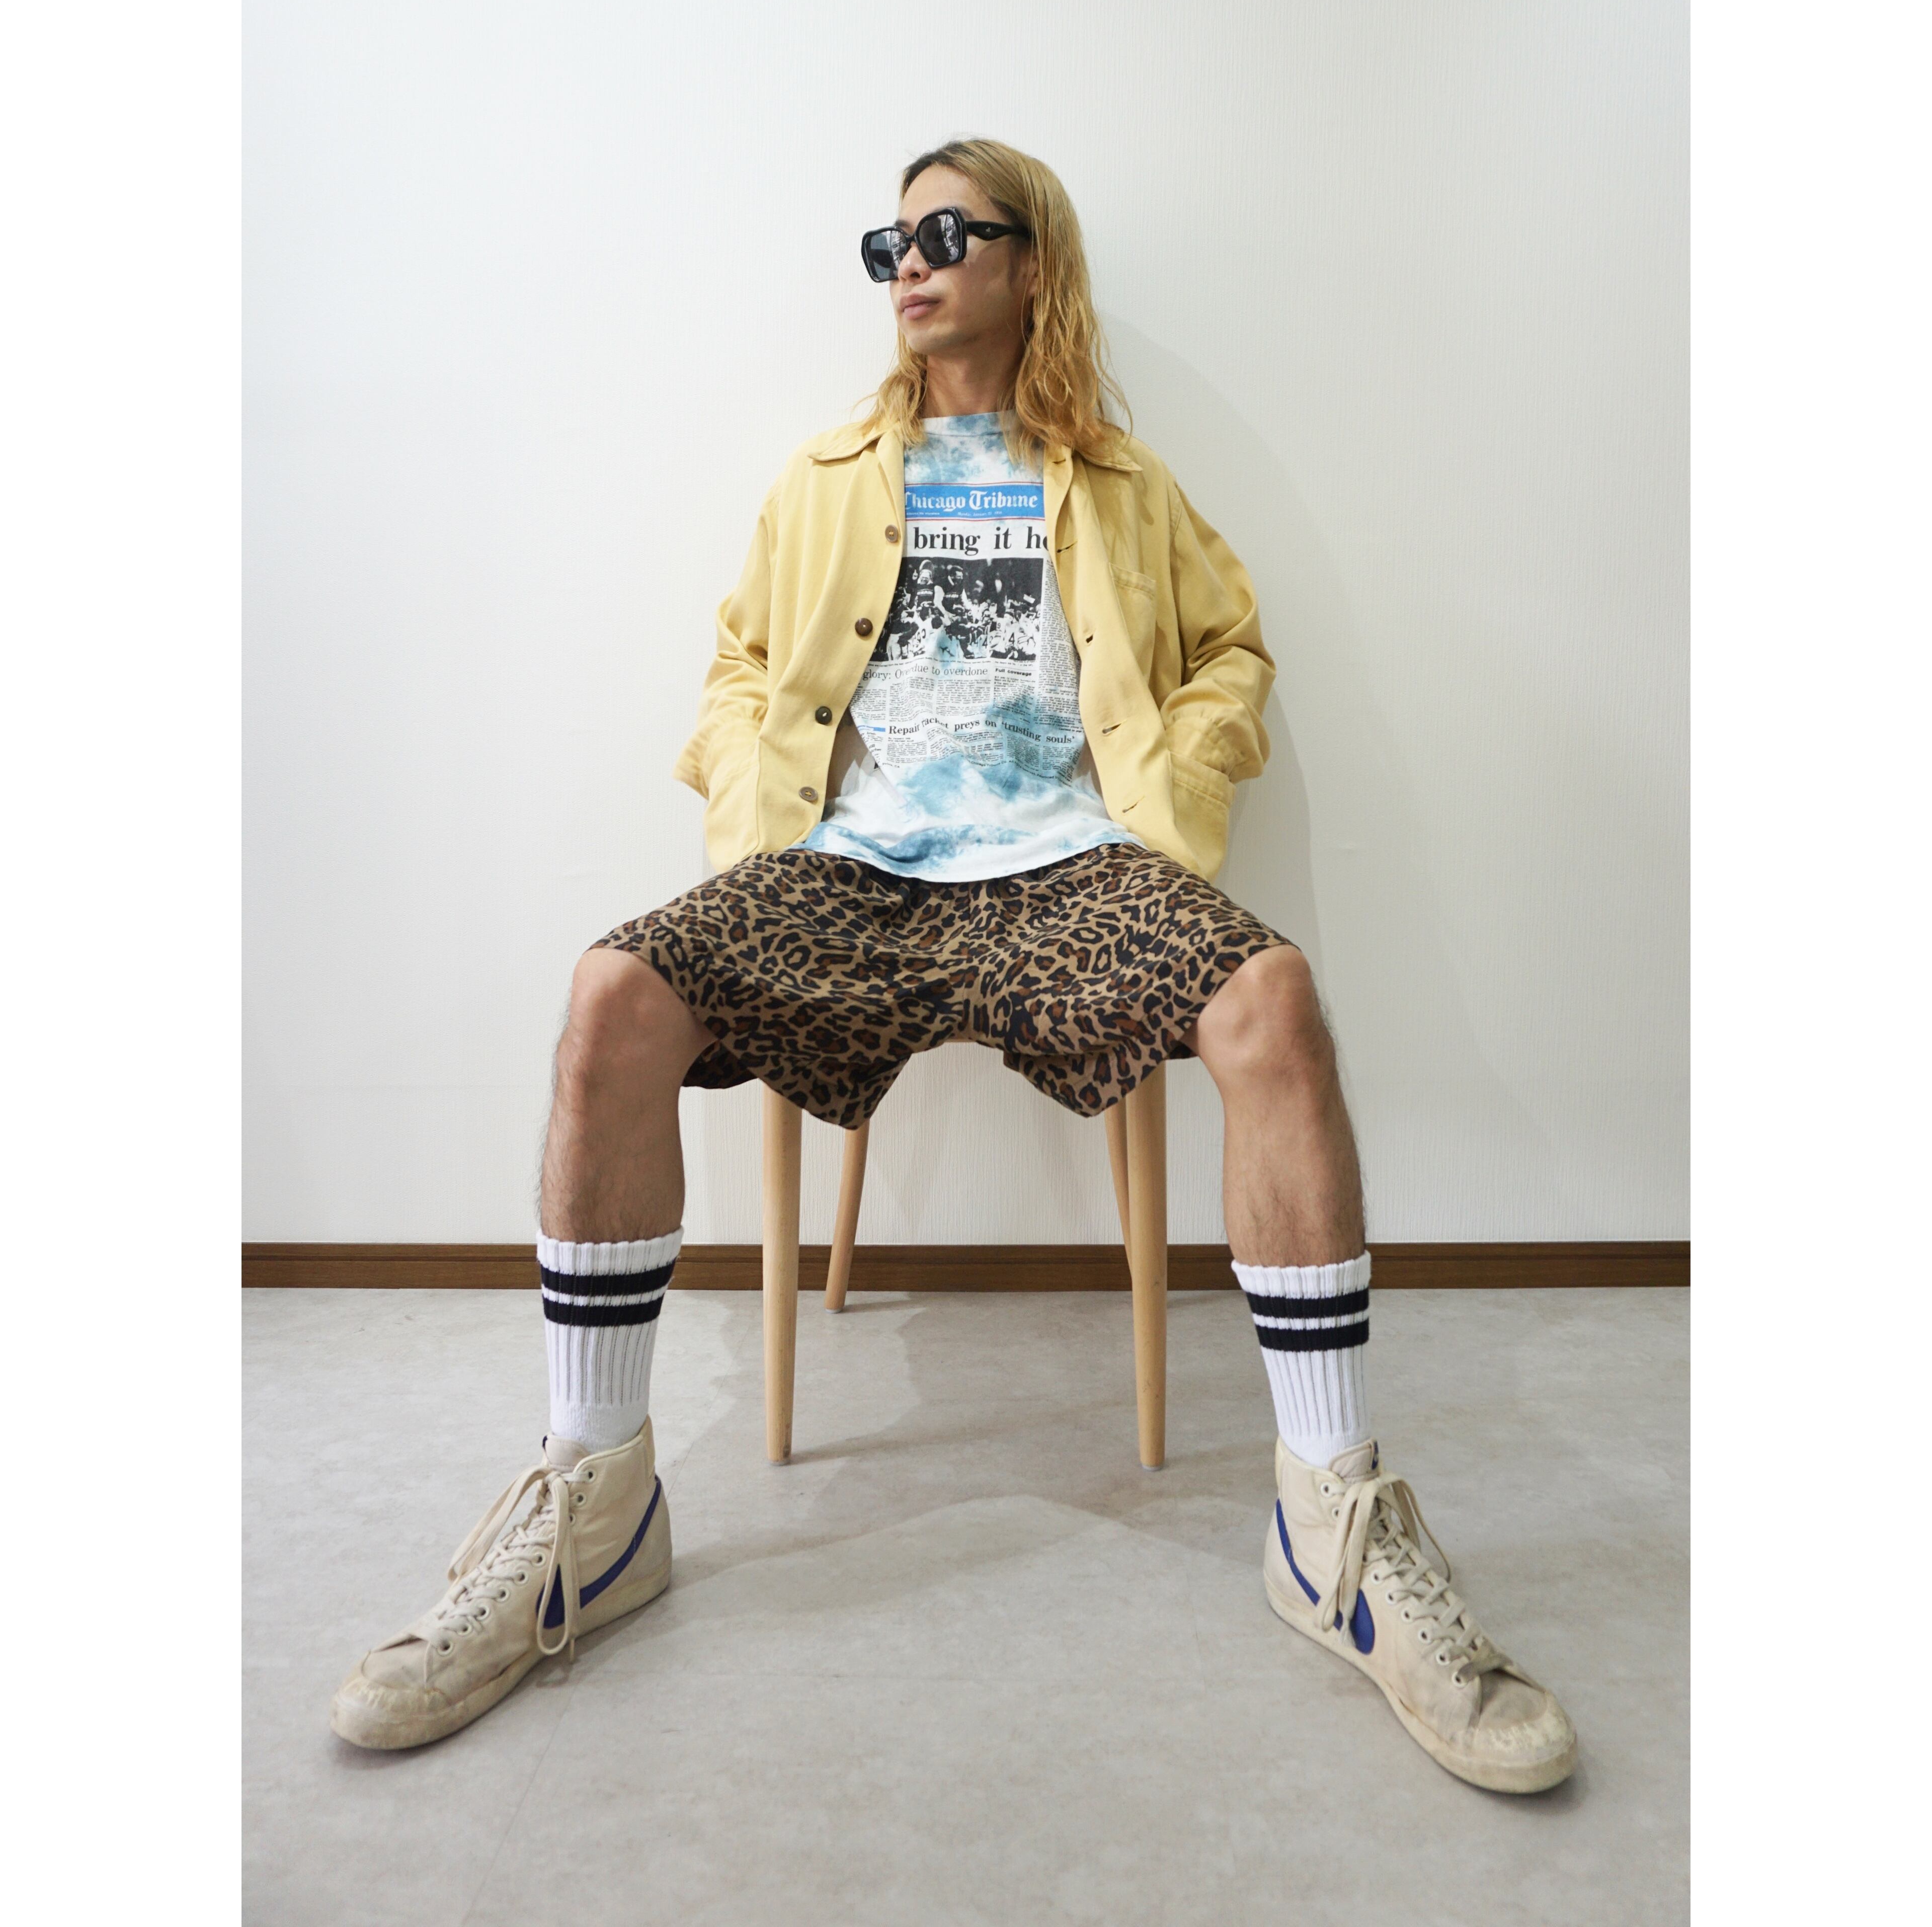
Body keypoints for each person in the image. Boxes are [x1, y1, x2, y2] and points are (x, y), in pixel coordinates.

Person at [331, 138, 1577, 1794]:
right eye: (888, 242)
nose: (907, 265)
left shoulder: (1122, 481)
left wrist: (1181, 782)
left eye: (943, 234)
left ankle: (1332, 1521)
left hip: (1074, 873)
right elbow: (740, 662)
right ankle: (595, 1508)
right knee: (612, 998)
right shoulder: (824, 476)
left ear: (1029, 261)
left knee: (1272, 1000)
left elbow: (1232, 650)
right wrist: (751, 800)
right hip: (851, 874)